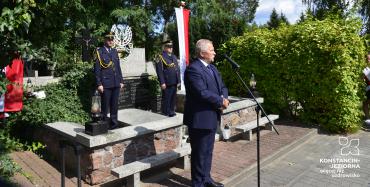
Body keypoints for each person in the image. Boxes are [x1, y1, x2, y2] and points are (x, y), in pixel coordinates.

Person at [183, 39, 229, 187]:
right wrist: (220, 102)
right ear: (202, 53)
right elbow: (201, 93)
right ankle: (198, 183)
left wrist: (224, 98)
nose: (214, 52)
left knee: (208, 151)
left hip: (212, 116)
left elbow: (222, 87)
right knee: (199, 154)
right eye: (212, 50)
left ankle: (206, 179)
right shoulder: (193, 69)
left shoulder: (212, 68)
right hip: (199, 118)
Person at [94, 31, 124, 129]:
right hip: (105, 84)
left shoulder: (114, 51)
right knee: (105, 106)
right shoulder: (99, 52)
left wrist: (121, 81)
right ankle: (104, 125)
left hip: (115, 83)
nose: (111, 41)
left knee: (114, 106)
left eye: (112, 39)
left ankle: (114, 124)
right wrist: (99, 84)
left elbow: (118, 67)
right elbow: (97, 70)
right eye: (109, 39)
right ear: (105, 40)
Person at [155, 40, 180, 117]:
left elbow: (177, 69)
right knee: (167, 98)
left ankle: (172, 111)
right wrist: (162, 82)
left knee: (173, 97)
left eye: (171, 47)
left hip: (174, 81)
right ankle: (165, 112)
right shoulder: (160, 57)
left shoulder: (173, 56)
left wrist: (178, 80)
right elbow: (159, 71)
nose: (170, 48)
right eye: (169, 47)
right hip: (167, 81)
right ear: (164, 47)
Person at [363, 52, 370, 123]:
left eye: (369, 59)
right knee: (365, 103)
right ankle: (368, 119)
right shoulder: (365, 68)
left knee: (365, 103)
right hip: (368, 88)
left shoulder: (366, 69)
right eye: (367, 59)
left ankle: (368, 119)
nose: (368, 60)